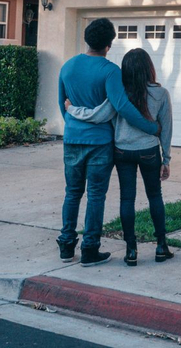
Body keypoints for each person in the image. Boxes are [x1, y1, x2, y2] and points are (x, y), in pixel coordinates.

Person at [57, 19, 160, 267]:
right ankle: (90, 249)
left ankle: (66, 246)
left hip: (72, 139)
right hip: (100, 142)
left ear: (87, 39)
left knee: (72, 193)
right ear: (109, 44)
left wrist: (74, 127)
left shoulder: (67, 67)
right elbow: (123, 107)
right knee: (95, 195)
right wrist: (151, 127)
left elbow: (63, 105)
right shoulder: (110, 71)